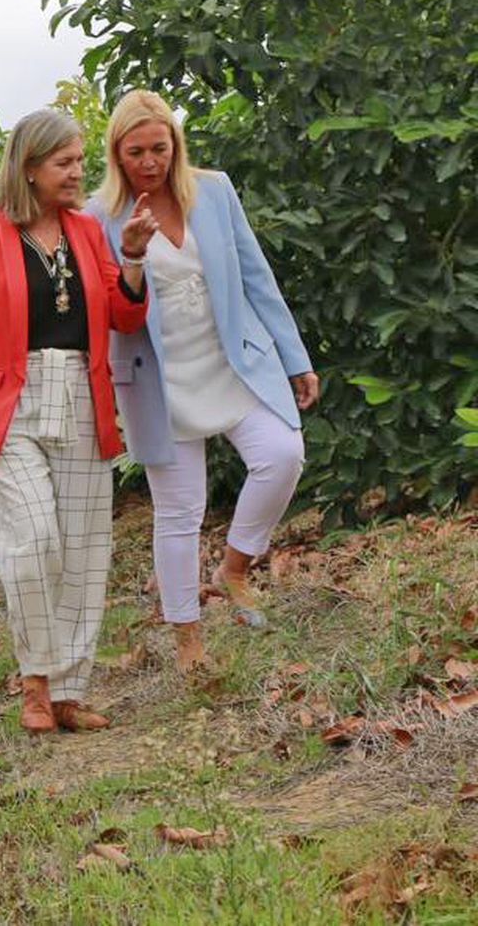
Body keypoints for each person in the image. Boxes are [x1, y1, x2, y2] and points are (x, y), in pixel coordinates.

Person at [0, 109, 154, 734]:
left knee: (85, 549)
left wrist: (134, 259)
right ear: (29, 169)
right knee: (33, 539)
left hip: (83, 397)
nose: (76, 173)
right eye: (64, 163)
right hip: (9, 402)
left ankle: (69, 691)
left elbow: (124, 316)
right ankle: (35, 679)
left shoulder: (88, 231)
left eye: (79, 162)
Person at [87, 90, 317, 671]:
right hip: (158, 381)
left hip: (233, 363)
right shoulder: (97, 217)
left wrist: (295, 357)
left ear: (175, 145)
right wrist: (132, 258)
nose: (149, 161)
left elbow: (256, 277)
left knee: (283, 454)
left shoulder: (213, 191)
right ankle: (188, 637)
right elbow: (114, 310)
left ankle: (234, 567)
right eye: (135, 151)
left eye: (159, 148)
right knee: (179, 512)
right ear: (116, 152)